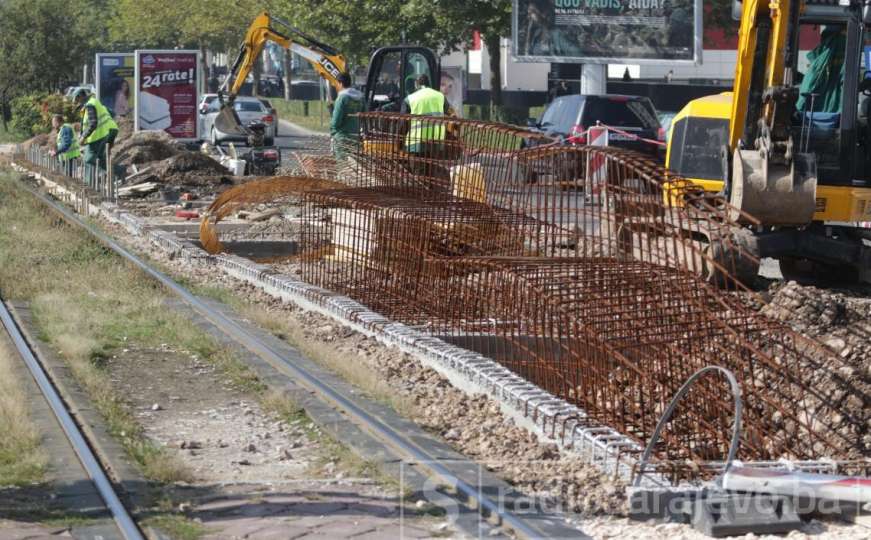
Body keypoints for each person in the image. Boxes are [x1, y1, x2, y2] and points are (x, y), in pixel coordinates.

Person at [401, 74, 450, 153]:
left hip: (416, 141)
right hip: (437, 141)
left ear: (416, 84)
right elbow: (446, 110)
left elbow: (402, 122)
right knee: (433, 164)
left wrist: (400, 142)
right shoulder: (440, 96)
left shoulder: (410, 99)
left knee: (416, 164)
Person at [74, 88, 119, 171]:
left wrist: (83, 137)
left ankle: (99, 178)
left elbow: (93, 123)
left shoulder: (90, 105)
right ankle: (118, 172)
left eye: (77, 102)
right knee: (100, 159)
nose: (79, 106)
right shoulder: (95, 102)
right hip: (110, 131)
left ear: (80, 97)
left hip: (99, 135)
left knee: (88, 160)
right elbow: (112, 113)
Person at [329, 72, 364, 160]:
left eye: (337, 84)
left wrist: (332, 132)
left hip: (343, 137)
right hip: (356, 137)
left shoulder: (342, 98)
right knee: (355, 166)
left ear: (340, 83)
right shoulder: (361, 98)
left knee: (343, 166)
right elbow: (365, 116)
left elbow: (336, 121)